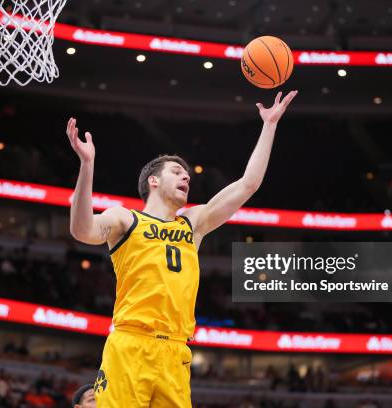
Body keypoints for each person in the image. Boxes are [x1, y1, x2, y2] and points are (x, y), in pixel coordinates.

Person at [67, 90, 298, 407]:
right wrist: (87, 165)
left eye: (186, 173)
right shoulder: (125, 218)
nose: (185, 176)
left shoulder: (193, 223)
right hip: (132, 342)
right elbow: (82, 230)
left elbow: (248, 184)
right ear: (153, 181)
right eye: (176, 171)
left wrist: (269, 125)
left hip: (176, 349)